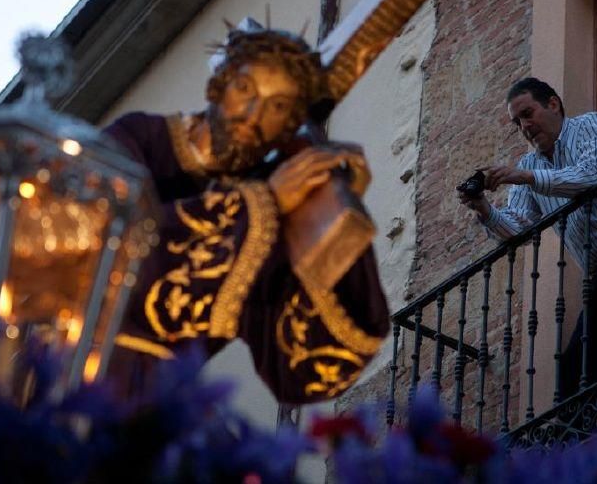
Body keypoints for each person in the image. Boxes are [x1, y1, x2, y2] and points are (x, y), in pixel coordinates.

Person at [105, 24, 389, 404]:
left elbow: (307, 374)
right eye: (244, 89)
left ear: (288, 129)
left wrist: (333, 220)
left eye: (277, 107)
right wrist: (262, 203)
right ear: (217, 86)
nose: (253, 115)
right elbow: (106, 243)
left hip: (152, 405)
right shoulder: (138, 138)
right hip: (68, 367)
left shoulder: (264, 227)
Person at [458, 77, 597, 395]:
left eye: (528, 114)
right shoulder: (530, 165)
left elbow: (592, 175)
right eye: (517, 122)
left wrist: (526, 177)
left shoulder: (589, 125)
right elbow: (520, 229)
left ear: (553, 104)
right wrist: (484, 209)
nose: (524, 126)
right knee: (573, 379)